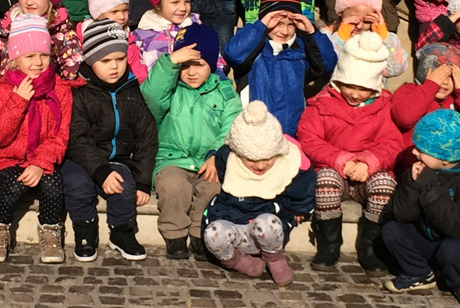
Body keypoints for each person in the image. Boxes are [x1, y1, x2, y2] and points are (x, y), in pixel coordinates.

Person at [298, 32, 404, 277]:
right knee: (325, 181)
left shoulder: (383, 107)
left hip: (368, 172)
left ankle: (370, 246)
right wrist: (341, 159)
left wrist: (369, 162)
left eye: (363, 89)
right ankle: (329, 244)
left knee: (385, 184)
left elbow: (391, 143)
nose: (355, 94)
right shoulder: (321, 104)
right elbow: (309, 140)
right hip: (334, 168)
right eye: (350, 86)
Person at [141, 23, 241, 260]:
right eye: (185, 65)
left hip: (208, 160)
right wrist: (170, 62)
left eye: (199, 65)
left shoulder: (224, 92)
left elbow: (231, 125)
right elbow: (151, 94)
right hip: (172, 159)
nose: (191, 72)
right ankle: (175, 234)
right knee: (174, 187)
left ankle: (199, 233)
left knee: (213, 188)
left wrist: (216, 154)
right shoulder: (171, 89)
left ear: (211, 65)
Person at [61, 19, 155, 261]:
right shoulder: (81, 91)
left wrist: (143, 181)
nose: (114, 66)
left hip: (119, 159)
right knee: (76, 183)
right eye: (105, 61)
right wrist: (100, 171)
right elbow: (77, 138)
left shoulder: (133, 90)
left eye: (120, 59)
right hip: (82, 160)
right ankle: (85, 230)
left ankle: (122, 232)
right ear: (91, 61)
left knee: (124, 185)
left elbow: (146, 137)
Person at [0, 15, 74, 264]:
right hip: (6, 159)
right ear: (15, 59)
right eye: (29, 56)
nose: (38, 63)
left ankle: (50, 230)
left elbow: (59, 136)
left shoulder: (60, 90)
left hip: (40, 158)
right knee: (15, 183)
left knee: (52, 182)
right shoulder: (4, 89)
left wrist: (39, 163)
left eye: (43, 55)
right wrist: (19, 101)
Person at [383, 109, 460, 308]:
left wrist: (429, 190)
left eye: (421, 150)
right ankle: (419, 273)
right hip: (427, 234)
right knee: (392, 230)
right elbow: (402, 214)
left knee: (453, 249)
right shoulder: (421, 169)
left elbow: (456, 226)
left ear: (445, 158)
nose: (414, 153)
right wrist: (412, 185)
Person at [202, 101, 316, 285]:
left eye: (267, 159)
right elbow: (222, 170)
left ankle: (274, 258)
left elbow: (303, 183)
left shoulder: (287, 160)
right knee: (213, 234)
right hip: (234, 222)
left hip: (267, 225)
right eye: (252, 160)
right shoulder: (228, 157)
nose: (261, 166)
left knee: (268, 224)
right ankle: (238, 262)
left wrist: (300, 208)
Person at [223, 0, 336, 135]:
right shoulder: (253, 50)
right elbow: (233, 54)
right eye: (277, 23)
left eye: (291, 24)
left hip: (291, 133)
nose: (284, 31)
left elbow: (327, 64)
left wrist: (312, 33)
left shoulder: (300, 50)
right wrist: (260, 26)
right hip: (254, 133)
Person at [390, 43, 460, 168]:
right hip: (412, 163)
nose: (445, 82)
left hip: (446, 166)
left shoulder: (458, 100)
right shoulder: (409, 91)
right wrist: (431, 85)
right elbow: (405, 118)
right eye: (439, 75)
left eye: (451, 77)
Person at [319, 0, 408, 81]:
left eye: (366, 21)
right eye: (353, 21)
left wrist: (384, 37)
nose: (359, 26)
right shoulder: (327, 35)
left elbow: (394, 69)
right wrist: (341, 38)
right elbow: (324, 64)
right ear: (341, 13)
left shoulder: (380, 39)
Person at [132, 0, 203, 81]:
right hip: (156, 89)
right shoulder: (141, 36)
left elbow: (214, 59)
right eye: (175, 2)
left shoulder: (196, 27)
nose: (183, 8)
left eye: (187, 2)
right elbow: (139, 74)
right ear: (157, 5)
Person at [84, 0, 145, 81]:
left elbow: (140, 73)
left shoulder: (129, 40)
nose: (122, 16)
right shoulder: (84, 38)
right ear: (98, 13)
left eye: (125, 10)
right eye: (114, 11)